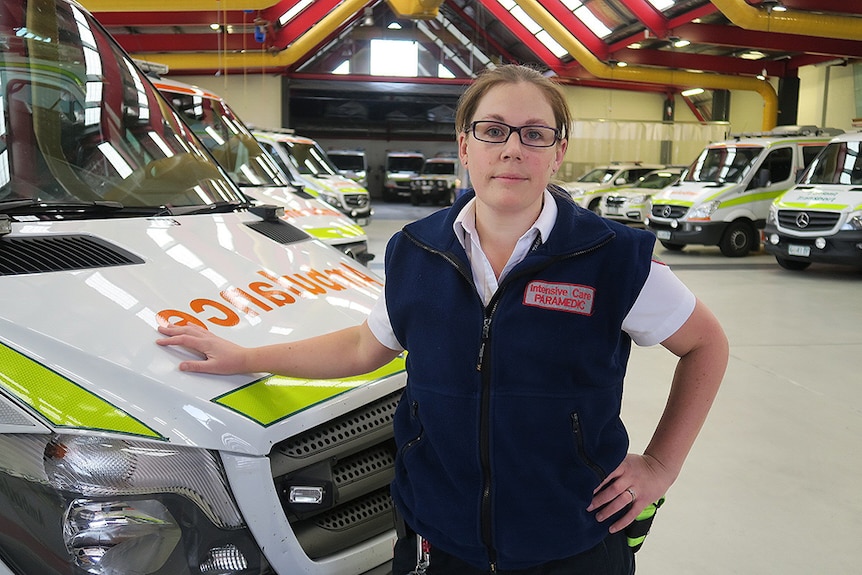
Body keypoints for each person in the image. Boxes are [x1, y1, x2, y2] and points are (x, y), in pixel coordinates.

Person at [157, 64, 728, 575]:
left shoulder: (613, 258)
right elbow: (364, 346)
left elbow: (706, 345)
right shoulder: (415, 251)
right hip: (440, 535)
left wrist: (659, 464)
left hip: (571, 537)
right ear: (465, 143)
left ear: (557, 152)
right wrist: (245, 356)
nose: (512, 149)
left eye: (535, 134)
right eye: (493, 129)